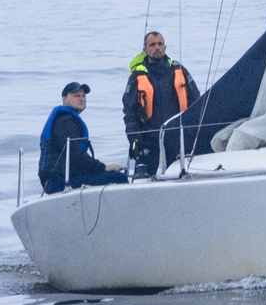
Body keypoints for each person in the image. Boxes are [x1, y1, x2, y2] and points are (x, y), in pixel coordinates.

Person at [124, 30, 202, 176]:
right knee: (143, 179)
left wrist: (195, 132)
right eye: (152, 45)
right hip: (148, 139)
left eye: (160, 44)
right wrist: (134, 138)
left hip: (178, 138)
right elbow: (129, 112)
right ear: (145, 49)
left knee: (183, 176)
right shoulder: (137, 77)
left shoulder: (179, 70)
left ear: (165, 47)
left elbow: (196, 102)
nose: (157, 48)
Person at [38, 81, 129, 192]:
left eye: (83, 96)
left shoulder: (68, 119)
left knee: (110, 175)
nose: (81, 99)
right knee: (119, 178)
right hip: (58, 181)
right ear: (65, 99)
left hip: (67, 176)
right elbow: (75, 155)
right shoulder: (65, 122)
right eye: (76, 96)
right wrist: (103, 167)